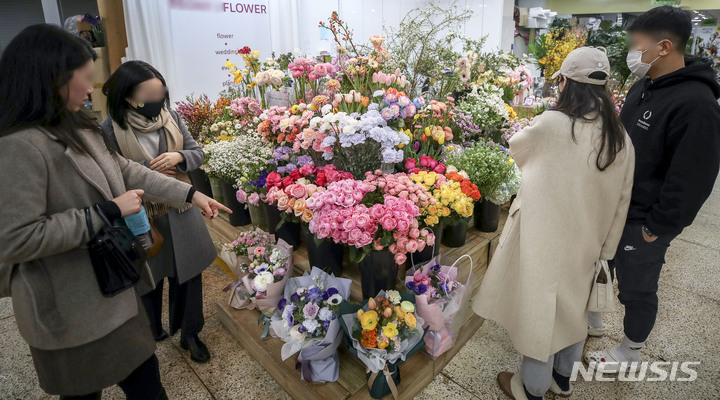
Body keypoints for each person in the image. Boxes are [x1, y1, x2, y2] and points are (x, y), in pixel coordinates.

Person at [0, 24, 230, 399]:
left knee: (147, 384)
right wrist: (108, 211)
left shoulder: (79, 128)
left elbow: (127, 170)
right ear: (52, 79)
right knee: (84, 391)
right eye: (85, 79)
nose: (91, 90)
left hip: (115, 289)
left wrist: (191, 193)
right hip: (68, 305)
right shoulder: (19, 147)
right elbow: (16, 238)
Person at [472, 47, 635, 400]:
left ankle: (530, 387)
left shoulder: (552, 124)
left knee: (541, 315)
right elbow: (623, 202)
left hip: (544, 239)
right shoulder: (620, 137)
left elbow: (517, 149)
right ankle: (563, 380)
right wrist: (606, 251)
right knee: (574, 312)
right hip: (589, 244)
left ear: (565, 82)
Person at [585, 6, 720, 373]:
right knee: (601, 267)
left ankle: (631, 349)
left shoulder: (697, 103)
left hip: (645, 217)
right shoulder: (645, 86)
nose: (631, 50)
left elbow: (693, 178)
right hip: (615, 206)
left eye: (637, 43)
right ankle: (594, 322)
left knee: (637, 286)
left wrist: (655, 228)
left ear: (663, 47)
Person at [100, 61, 217, 364]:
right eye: (148, 95)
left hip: (181, 208)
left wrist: (179, 157)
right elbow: (113, 172)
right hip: (142, 215)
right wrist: (147, 170)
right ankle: (154, 328)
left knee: (189, 273)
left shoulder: (172, 117)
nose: (157, 101)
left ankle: (190, 332)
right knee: (150, 276)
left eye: (160, 93)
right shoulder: (110, 129)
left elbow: (197, 153)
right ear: (128, 96)